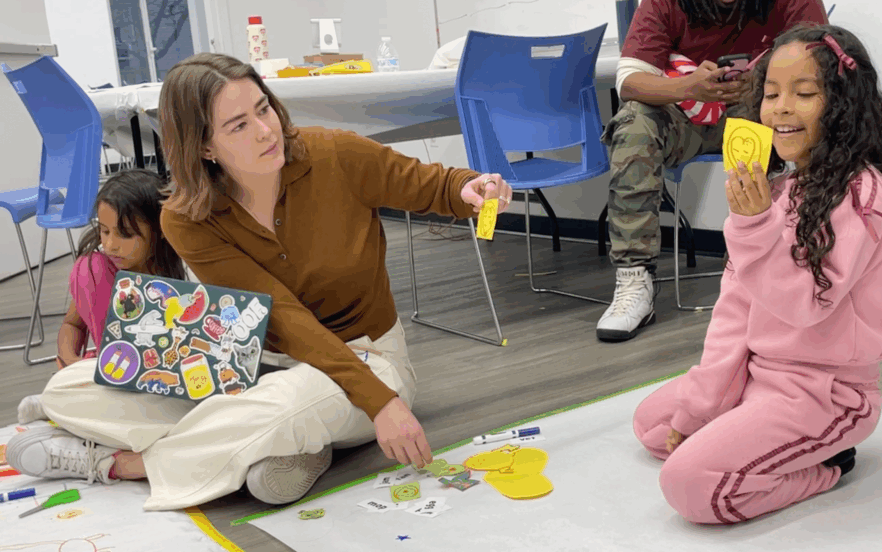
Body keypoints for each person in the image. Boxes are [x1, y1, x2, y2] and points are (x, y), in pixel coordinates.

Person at [6, 52, 513, 510]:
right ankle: (281, 445)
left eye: (264, 109)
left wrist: (472, 187)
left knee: (290, 402)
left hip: (366, 358)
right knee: (69, 385)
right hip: (254, 363)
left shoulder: (334, 153)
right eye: (238, 125)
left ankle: (117, 463)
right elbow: (282, 319)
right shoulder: (185, 218)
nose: (266, 130)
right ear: (203, 146)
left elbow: (429, 183)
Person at [632, 24, 882, 524]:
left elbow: (805, 306)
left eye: (804, 93)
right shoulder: (780, 191)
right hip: (759, 374)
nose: (781, 107)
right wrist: (705, 403)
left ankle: (828, 467)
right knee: (653, 425)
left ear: (842, 104)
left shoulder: (863, 198)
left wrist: (751, 228)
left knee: (690, 486)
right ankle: (749, 431)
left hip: (828, 391)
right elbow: (735, 309)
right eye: (770, 94)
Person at [597, 0, 829, 341]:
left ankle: (757, 272)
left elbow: (824, 65)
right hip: (682, 113)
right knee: (633, 124)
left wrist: (765, 87)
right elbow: (629, 82)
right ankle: (634, 280)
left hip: (753, 110)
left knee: (792, 116)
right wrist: (690, 87)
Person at [16, 170, 186, 424]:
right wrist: (70, 360)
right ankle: (56, 405)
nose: (110, 245)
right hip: (106, 371)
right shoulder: (96, 270)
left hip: (161, 376)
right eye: (105, 231)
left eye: (125, 234)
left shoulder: (176, 268)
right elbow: (72, 324)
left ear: (160, 230)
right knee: (87, 386)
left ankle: (66, 410)